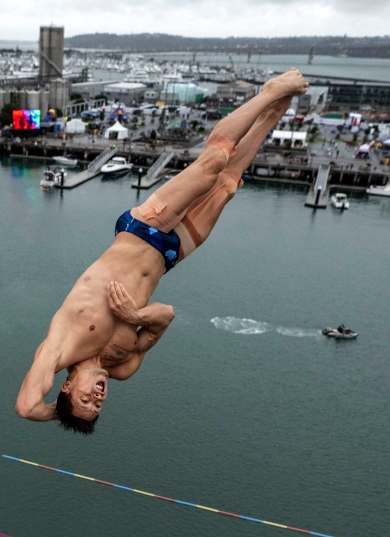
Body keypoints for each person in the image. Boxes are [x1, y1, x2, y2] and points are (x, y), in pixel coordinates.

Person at [17, 70, 308, 433]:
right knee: (228, 183)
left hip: (141, 230)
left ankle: (270, 92)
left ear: (67, 387)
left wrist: (61, 413)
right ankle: (276, 109)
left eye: (85, 400)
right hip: (170, 255)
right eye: (98, 406)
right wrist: (135, 312)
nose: (98, 398)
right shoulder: (123, 366)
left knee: (211, 164)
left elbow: (27, 407)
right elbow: (166, 316)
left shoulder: (60, 347)